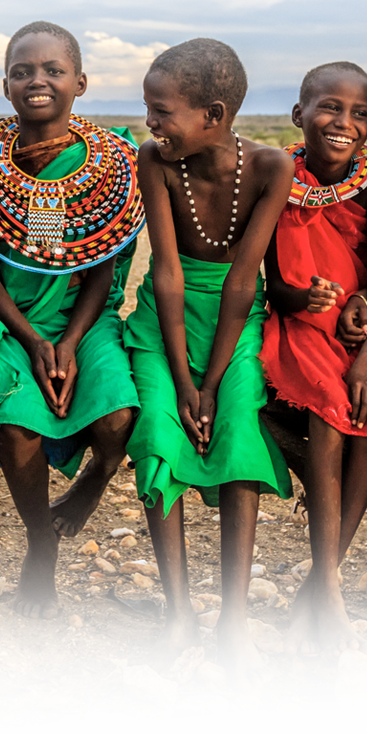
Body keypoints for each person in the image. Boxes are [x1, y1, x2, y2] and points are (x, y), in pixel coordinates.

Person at [125, 37, 295, 691]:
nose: (151, 122)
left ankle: (234, 615)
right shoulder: (156, 162)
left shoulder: (271, 167)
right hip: (165, 321)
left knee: (237, 432)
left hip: (236, 321)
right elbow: (166, 273)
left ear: (214, 115)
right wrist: (185, 379)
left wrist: (214, 380)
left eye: (162, 111)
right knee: (160, 431)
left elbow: (243, 280)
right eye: (149, 108)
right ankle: (179, 612)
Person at [0, 21, 145, 622]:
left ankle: (95, 481)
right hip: (8, 321)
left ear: (81, 82)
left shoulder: (111, 163)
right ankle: (40, 538)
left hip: (82, 320)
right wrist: (34, 340)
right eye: (23, 71)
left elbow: (100, 266)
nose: (37, 80)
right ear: (7, 84)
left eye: (53, 70)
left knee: (119, 415)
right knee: (19, 430)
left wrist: (67, 341)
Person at [258, 61, 367, 661]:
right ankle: (331, 591)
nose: (344, 123)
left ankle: (315, 588)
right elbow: (273, 282)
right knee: (332, 412)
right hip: (299, 329)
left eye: (359, 113)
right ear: (299, 115)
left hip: (364, 338)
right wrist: (302, 298)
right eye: (329, 108)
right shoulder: (278, 178)